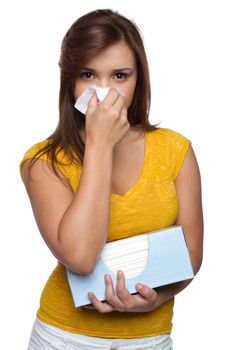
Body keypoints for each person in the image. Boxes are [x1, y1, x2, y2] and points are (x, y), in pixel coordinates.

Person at [20, 9, 203, 350]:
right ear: (70, 81)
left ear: (139, 79)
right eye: (89, 74)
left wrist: (157, 298)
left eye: (120, 75)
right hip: (63, 338)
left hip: (150, 340)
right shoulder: (43, 162)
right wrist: (100, 145)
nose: (104, 91)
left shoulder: (176, 150)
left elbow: (190, 254)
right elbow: (80, 257)